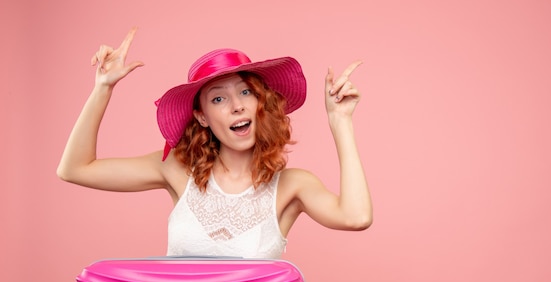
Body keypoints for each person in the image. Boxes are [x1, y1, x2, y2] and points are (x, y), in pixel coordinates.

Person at [57, 28, 372, 258]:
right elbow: (75, 169)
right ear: (202, 117)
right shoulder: (175, 168)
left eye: (246, 92)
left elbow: (356, 217)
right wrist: (103, 88)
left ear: (260, 103)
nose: (237, 105)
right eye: (218, 98)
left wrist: (340, 121)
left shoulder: (293, 186)